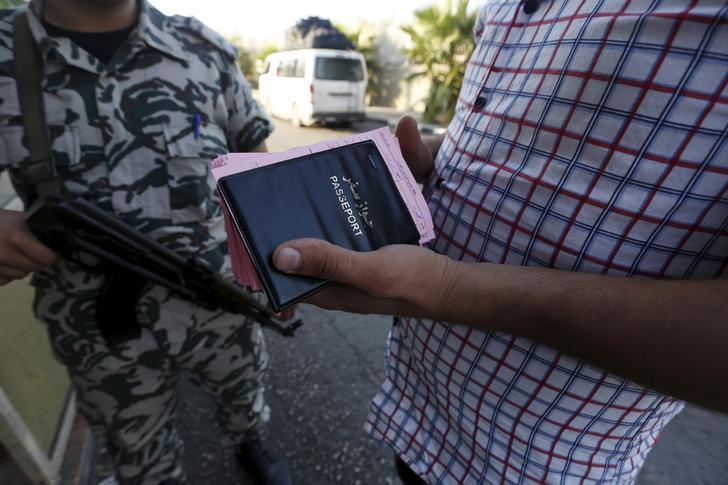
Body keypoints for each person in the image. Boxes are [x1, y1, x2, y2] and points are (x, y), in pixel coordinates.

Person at [273, 0, 728, 483]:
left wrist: (447, 290)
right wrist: (432, 158)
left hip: (535, 465)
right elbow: (518, 135)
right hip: (418, 416)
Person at [0, 1, 292, 484]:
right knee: (140, 457)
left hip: (221, 302)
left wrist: (282, 274)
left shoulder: (203, 48)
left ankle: (249, 440)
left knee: (243, 393)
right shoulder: (9, 48)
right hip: (97, 329)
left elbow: (255, 167)